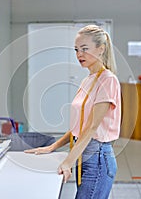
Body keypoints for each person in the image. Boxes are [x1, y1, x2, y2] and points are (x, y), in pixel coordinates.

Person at [25, 24, 121, 199]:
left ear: (101, 49)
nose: (79, 54)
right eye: (76, 50)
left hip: (98, 159)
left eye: (84, 49)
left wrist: (68, 161)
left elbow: (91, 128)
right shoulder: (87, 80)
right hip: (83, 154)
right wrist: (52, 147)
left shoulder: (108, 80)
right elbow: (80, 126)